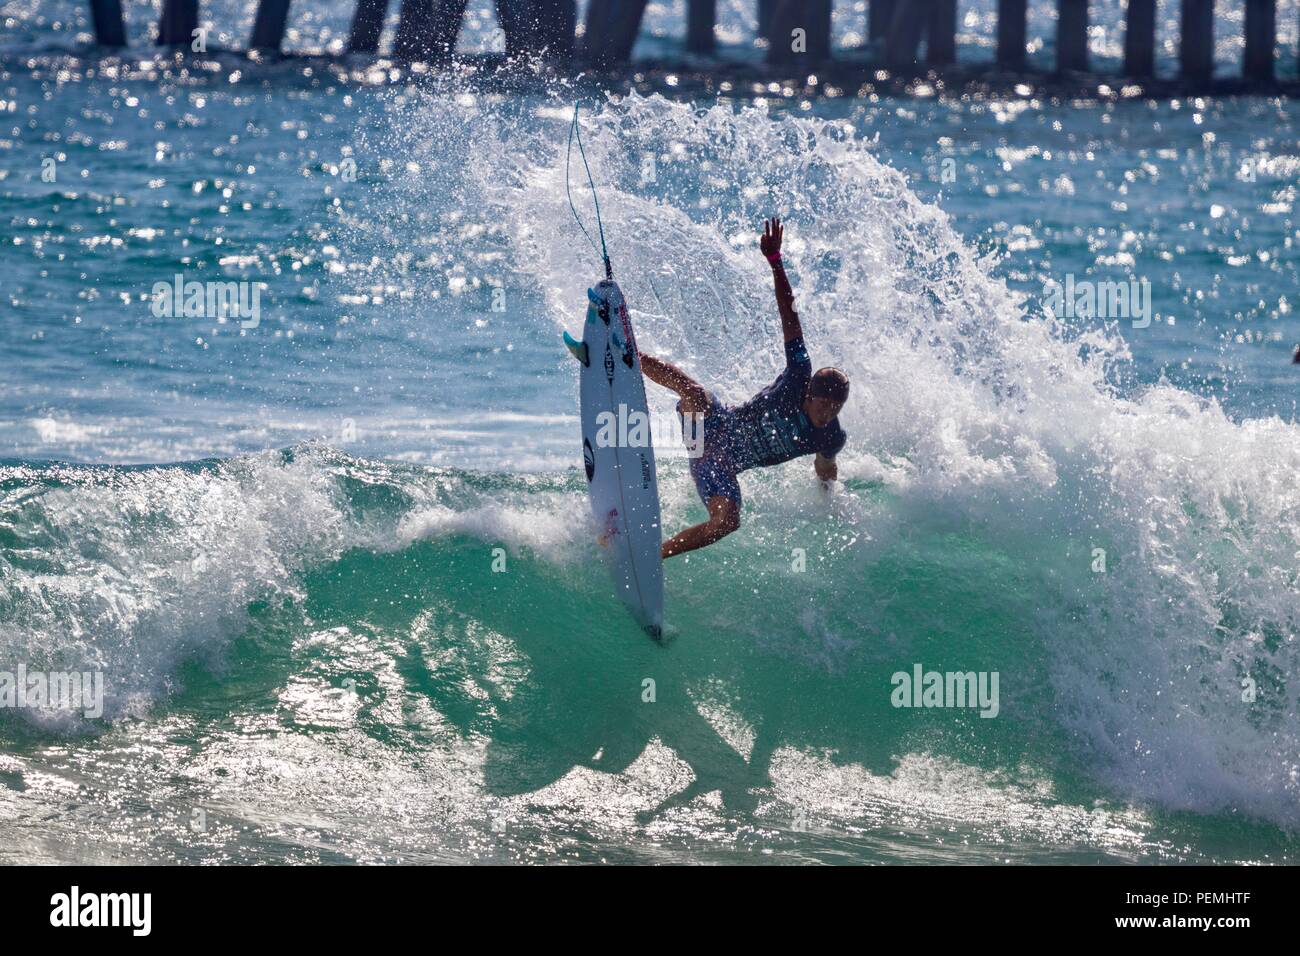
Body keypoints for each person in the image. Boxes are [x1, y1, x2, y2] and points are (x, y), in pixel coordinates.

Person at [640, 217, 850, 559]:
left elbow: (825, 467)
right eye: (823, 404)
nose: (828, 413)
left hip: (719, 468)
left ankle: (650, 555)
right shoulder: (798, 376)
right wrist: (775, 262)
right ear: (809, 395)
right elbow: (790, 317)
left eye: (835, 408)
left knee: (727, 523)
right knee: (696, 394)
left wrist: (829, 497)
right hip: (711, 426)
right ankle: (626, 354)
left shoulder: (830, 436)